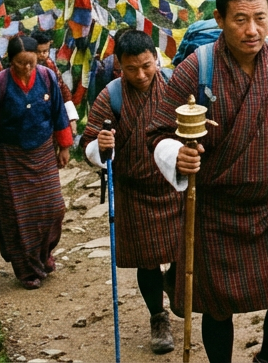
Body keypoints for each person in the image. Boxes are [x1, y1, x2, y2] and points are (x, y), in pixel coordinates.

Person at [147, 0, 268, 363]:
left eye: (260, 18)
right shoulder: (198, 68)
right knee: (217, 307)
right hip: (215, 208)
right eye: (240, 19)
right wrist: (176, 155)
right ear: (220, 19)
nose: (252, 30)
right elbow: (158, 131)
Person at [83, 30, 181, 355]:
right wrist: (100, 146)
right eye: (131, 69)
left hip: (175, 187)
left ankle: (174, 284)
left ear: (156, 59)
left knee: (183, 251)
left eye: (146, 66)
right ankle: (158, 318)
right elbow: (88, 143)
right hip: (134, 191)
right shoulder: (111, 96)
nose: (140, 75)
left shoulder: (176, 86)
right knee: (146, 260)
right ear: (119, 66)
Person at [0, 35, 73, 289]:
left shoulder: (47, 77)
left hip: (42, 150)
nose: (27, 68)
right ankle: (26, 269)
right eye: (21, 63)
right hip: (10, 155)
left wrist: (64, 146)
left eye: (31, 62)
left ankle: (44, 254)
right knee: (17, 215)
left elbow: (59, 112)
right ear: (10, 61)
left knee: (54, 208)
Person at [32, 30, 76, 108]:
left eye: (45, 51)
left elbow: (60, 84)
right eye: (38, 51)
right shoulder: (26, 66)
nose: (42, 55)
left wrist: (69, 105)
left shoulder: (49, 64)